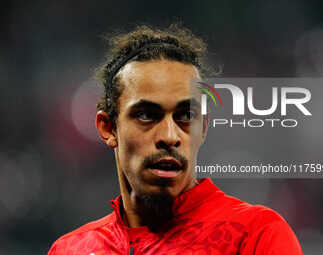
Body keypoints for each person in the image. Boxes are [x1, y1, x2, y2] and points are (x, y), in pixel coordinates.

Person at [47, 24, 303, 255]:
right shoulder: (70, 249)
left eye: (186, 116)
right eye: (147, 115)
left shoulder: (255, 235)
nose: (170, 136)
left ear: (203, 128)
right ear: (108, 128)